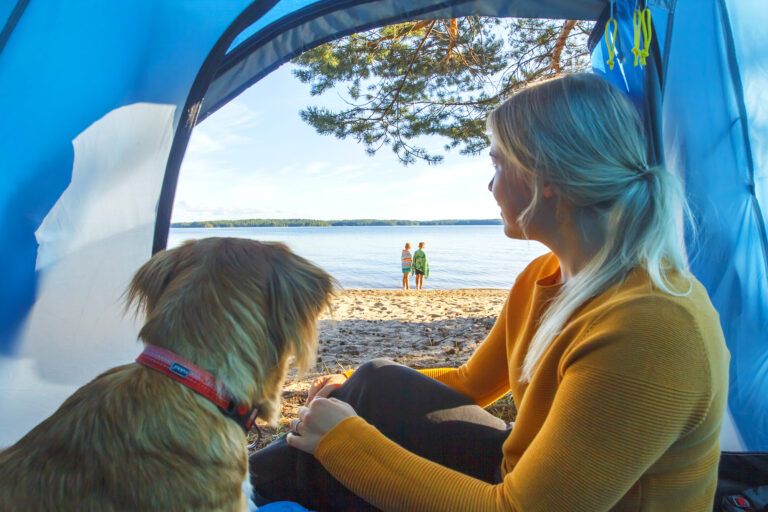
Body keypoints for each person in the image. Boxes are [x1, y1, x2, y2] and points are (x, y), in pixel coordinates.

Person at [249, 73, 729, 511]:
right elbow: (470, 383)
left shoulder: (652, 329)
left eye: (497, 164)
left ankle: (228, 492)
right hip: (517, 471)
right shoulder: (546, 276)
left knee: (334, 470)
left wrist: (343, 441)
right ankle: (229, 488)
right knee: (374, 379)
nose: (489, 184)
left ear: (545, 178)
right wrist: (349, 386)